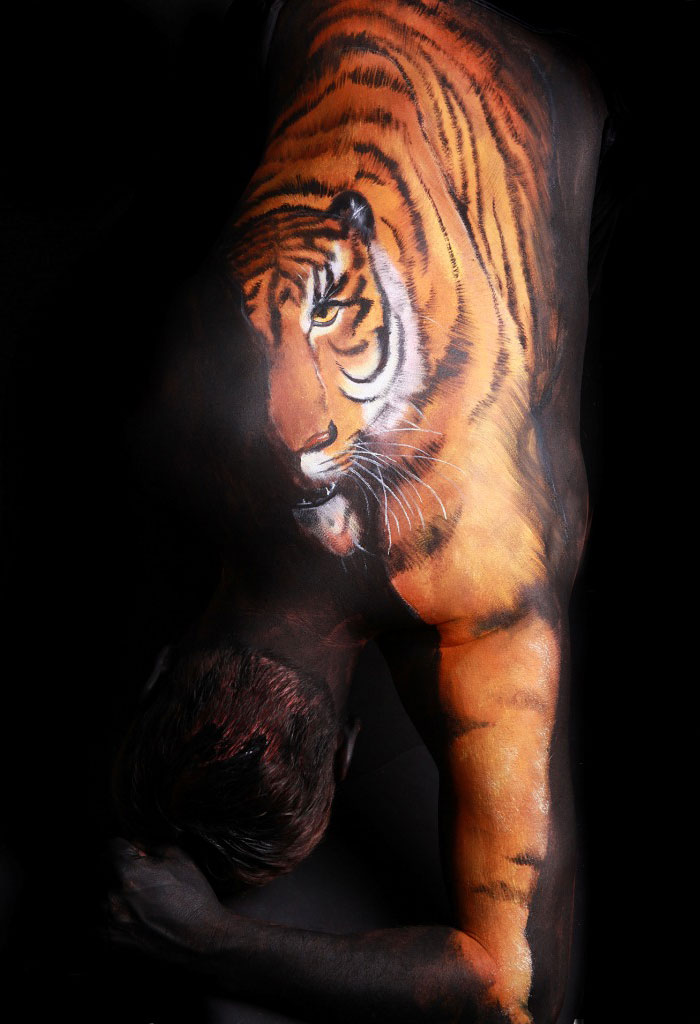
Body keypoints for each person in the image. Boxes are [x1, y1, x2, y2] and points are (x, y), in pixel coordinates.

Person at [106, 1, 612, 1020]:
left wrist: (209, 940)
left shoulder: (491, 574)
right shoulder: (164, 427)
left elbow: (522, 996)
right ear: (161, 664)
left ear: (344, 746)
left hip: (552, 74)